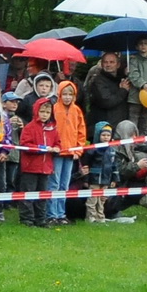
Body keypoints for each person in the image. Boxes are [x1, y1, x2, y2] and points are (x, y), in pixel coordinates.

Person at [47, 80, 86, 224]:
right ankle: (52, 214)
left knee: (64, 185)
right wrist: (53, 147)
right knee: (54, 184)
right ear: (59, 94)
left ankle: (61, 214)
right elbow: (50, 130)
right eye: (65, 94)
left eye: (71, 94)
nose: (68, 97)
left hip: (71, 154)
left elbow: (81, 132)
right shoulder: (54, 108)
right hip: (57, 153)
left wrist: (79, 150)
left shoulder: (77, 110)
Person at [18, 95, 58, 227]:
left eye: (47, 112)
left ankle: (41, 218)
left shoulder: (53, 129)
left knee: (43, 195)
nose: (45, 115)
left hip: (46, 167)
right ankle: (27, 219)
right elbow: (25, 145)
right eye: (42, 111)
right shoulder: (29, 127)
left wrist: (57, 148)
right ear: (36, 111)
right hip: (30, 167)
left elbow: (58, 143)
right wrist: (42, 149)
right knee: (28, 194)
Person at [84, 50, 133, 129]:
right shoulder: (98, 81)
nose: (108, 65)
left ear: (118, 65)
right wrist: (123, 90)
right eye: (105, 62)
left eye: (111, 62)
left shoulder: (122, 79)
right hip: (104, 128)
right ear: (102, 64)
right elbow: (107, 101)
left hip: (120, 125)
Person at [84, 121, 118, 223]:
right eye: (103, 135)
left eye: (108, 135)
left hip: (106, 179)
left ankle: (100, 216)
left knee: (102, 199)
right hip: (94, 178)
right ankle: (90, 216)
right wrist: (86, 179)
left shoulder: (112, 151)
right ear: (98, 135)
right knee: (93, 199)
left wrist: (114, 179)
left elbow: (114, 166)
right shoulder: (92, 150)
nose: (106, 137)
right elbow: (86, 166)